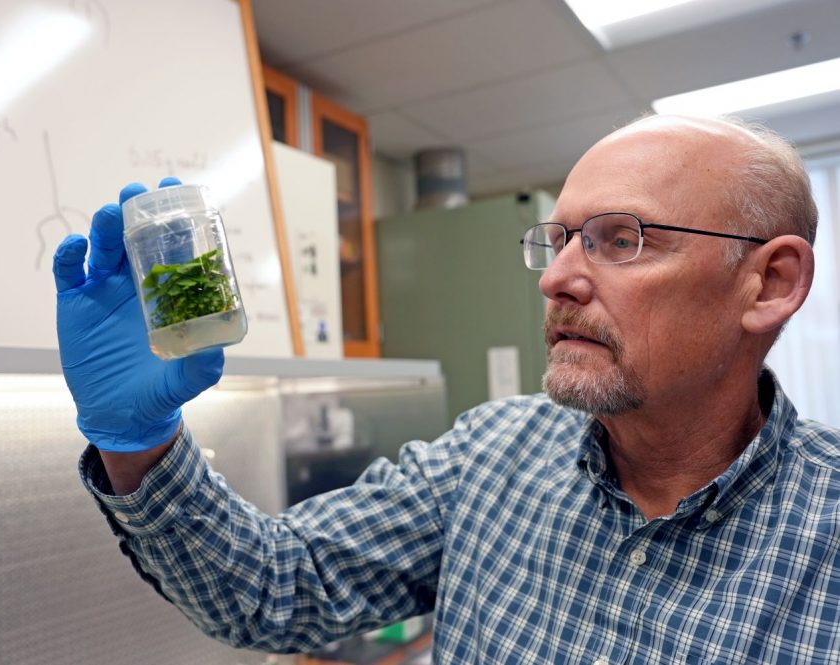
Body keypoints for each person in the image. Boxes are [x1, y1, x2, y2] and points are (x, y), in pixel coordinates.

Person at [52, 115, 840, 663]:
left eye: (620, 239)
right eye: (560, 239)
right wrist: (141, 442)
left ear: (769, 282)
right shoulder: (487, 456)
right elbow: (270, 588)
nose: (559, 277)